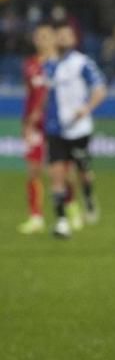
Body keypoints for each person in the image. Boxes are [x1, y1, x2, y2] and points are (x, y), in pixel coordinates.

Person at [44, 22, 107, 239]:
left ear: (73, 39)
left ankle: (88, 196)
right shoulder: (49, 66)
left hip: (79, 128)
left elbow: (100, 89)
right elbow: (46, 96)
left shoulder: (82, 63)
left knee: (83, 173)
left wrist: (87, 108)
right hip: (55, 128)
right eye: (59, 35)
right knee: (57, 175)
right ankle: (61, 222)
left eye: (66, 35)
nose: (62, 38)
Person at [17, 23, 56, 235]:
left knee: (58, 172)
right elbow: (29, 95)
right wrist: (26, 121)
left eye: (45, 36)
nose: (40, 40)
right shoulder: (30, 64)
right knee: (33, 170)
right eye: (38, 36)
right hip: (35, 125)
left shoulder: (60, 65)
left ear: (53, 39)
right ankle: (36, 217)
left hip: (57, 123)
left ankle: (69, 209)